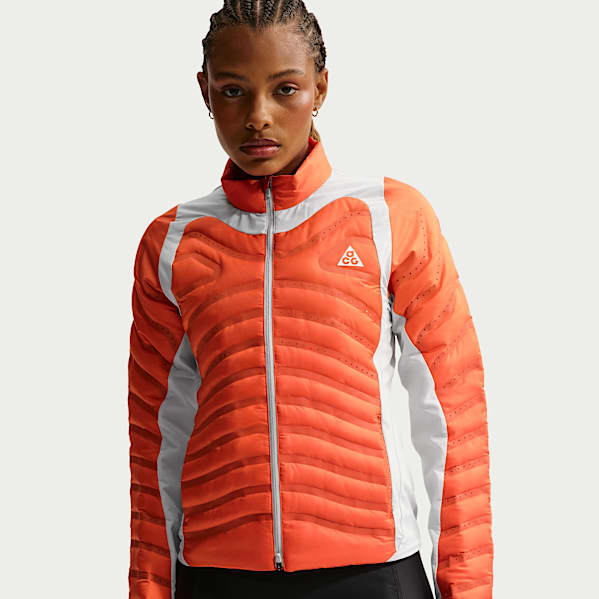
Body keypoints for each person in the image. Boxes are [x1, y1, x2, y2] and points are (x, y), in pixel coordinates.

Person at [126, 1, 494, 598]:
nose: (258, 117)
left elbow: (454, 416)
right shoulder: (172, 242)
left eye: (285, 89)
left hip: (373, 576)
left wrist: (468, 589)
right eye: (233, 91)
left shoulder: (390, 218)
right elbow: (154, 441)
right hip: (218, 577)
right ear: (204, 91)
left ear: (320, 88)